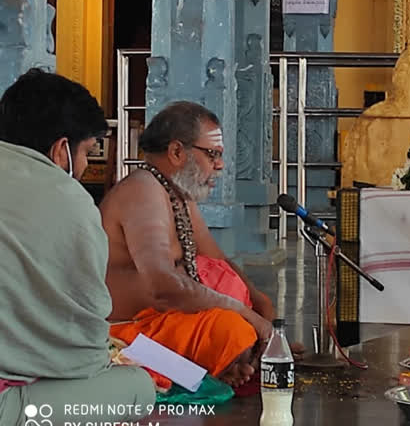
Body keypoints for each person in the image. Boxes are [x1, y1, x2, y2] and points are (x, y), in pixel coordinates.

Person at [102, 101, 296, 389]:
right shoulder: (142, 191)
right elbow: (162, 284)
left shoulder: (177, 195)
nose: (220, 165)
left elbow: (217, 258)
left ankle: (223, 363)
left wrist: (260, 303)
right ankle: (219, 363)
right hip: (126, 335)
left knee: (233, 301)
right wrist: (248, 316)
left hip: (167, 324)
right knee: (233, 332)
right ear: (177, 152)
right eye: (212, 154)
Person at [0, 69, 155, 425]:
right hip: (9, 403)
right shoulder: (68, 199)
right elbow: (80, 352)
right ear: (60, 150)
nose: (85, 166)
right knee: (138, 386)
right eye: (86, 152)